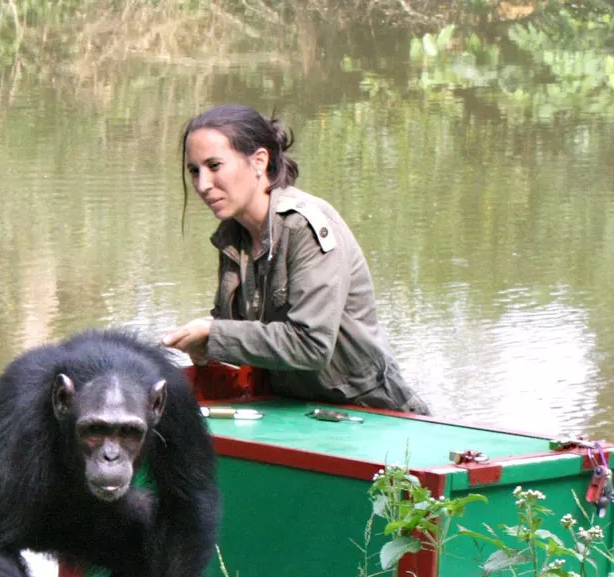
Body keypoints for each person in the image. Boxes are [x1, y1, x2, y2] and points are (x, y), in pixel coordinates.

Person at [160, 105, 428, 415]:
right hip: (297, 413)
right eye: (194, 170)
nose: (202, 184)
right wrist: (204, 345)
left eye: (214, 165)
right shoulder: (234, 236)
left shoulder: (305, 228)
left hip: (372, 414)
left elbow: (310, 345)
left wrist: (215, 334)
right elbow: (249, 339)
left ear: (259, 161)